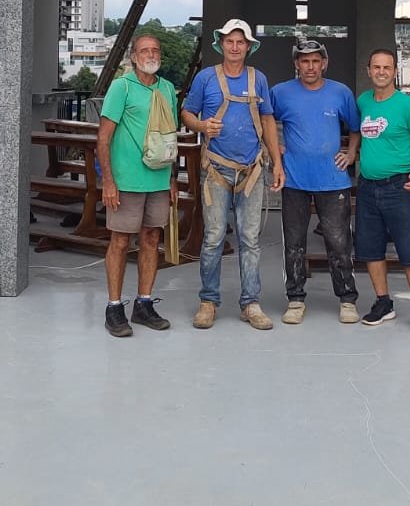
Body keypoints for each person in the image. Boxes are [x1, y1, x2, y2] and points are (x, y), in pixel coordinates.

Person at [181, 19, 284, 330]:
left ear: (249, 47)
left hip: (251, 169)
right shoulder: (205, 78)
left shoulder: (259, 79)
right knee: (212, 238)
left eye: (241, 42)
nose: (235, 47)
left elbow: (267, 121)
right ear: (221, 44)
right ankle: (208, 301)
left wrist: (277, 163)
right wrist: (201, 126)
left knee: (250, 239)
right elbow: (186, 113)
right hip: (216, 168)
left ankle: (250, 302)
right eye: (230, 42)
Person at [270, 38, 360, 324]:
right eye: (304, 61)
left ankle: (347, 298)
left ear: (324, 63)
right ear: (296, 64)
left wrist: (351, 153)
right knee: (294, 242)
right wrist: (273, 148)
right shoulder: (280, 92)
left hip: (333, 180)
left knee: (338, 241)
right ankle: (295, 299)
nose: (310, 66)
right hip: (294, 179)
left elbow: (356, 128)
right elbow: (264, 120)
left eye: (315, 61)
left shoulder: (340, 92)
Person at [95, 32, 177, 337]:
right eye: (144, 50)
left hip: (157, 178)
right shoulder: (121, 87)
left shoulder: (168, 89)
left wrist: (171, 179)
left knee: (151, 239)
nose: (151, 55)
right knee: (119, 241)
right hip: (127, 179)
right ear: (133, 56)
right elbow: (103, 138)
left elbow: (169, 137)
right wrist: (108, 181)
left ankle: (144, 303)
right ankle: (114, 306)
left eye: (155, 50)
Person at [351, 48, 410, 335]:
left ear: (395, 72)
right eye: (376, 67)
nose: (381, 72)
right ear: (368, 70)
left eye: (387, 67)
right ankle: (383, 302)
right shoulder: (363, 102)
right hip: (368, 187)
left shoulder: (407, 106)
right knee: (371, 249)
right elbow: (358, 133)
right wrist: (350, 154)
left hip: (399, 187)